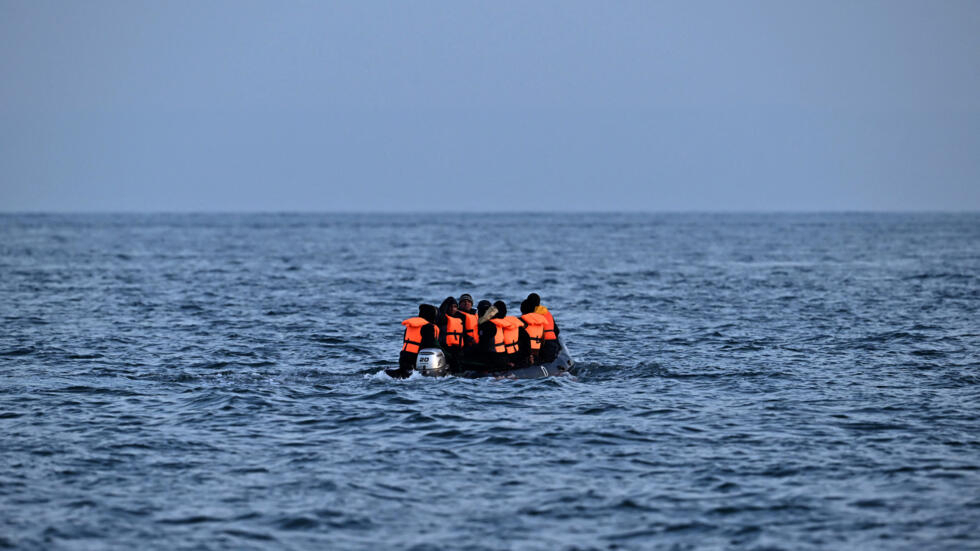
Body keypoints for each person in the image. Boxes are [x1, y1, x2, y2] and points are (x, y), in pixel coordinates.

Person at [388, 304, 438, 378]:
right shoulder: (428, 327)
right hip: (416, 359)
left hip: (403, 357)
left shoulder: (409, 326)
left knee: (404, 375)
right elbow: (432, 345)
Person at [526, 293, 560, 363]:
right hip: (553, 343)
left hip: (540, 347)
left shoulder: (529, 315)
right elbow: (556, 331)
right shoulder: (547, 313)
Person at [490, 301, 524, 368]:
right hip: (516, 354)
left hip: (504, 358)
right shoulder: (514, 321)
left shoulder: (494, 324)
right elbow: (525, 339)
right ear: (505, 311)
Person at [436, 296, 465, 371]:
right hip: (445, 349)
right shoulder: (441, 319)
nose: (453, 309)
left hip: (457, 349)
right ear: (446, 307)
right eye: (450, 307)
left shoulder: (459, 319)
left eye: (455, 307)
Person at [519, 300, 548, 365]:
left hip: (525, 355)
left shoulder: (521, 321)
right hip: (536, 353)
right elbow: (543, 341)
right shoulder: (541, 322)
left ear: (521, 309)